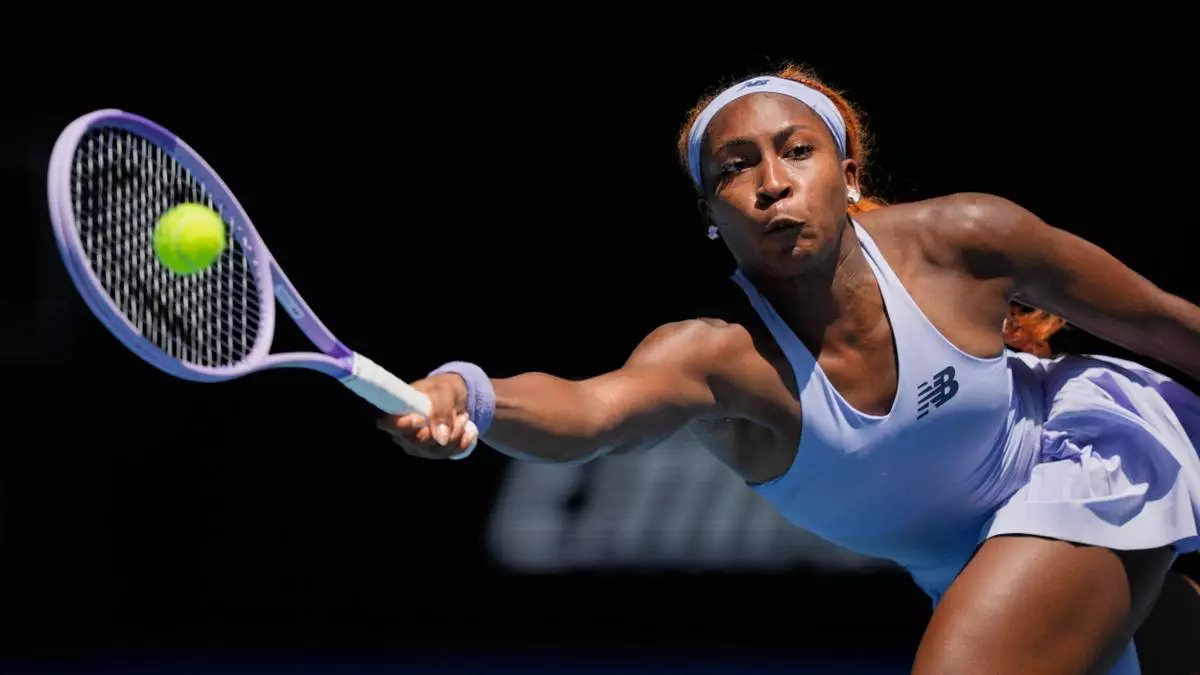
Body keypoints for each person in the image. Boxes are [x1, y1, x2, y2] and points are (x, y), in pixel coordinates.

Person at [377, 63, 1200, 674]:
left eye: (797, 151)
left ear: (847, 175)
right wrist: (470, 395)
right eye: (735, 168)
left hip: (1084, 461)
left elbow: (1164, 323)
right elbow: (591, 413)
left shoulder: (965, 238)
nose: (772, 184)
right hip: (964, 565)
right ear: (710, 212)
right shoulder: (717, 357)